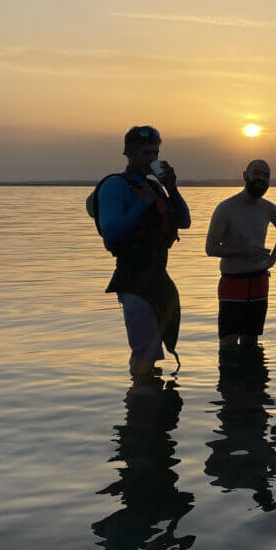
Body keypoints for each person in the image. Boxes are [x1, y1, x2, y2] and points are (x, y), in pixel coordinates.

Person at [96, 126, 191, 380]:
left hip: (158, 278)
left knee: (157, 349)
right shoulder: (115, 186)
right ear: (129, 153)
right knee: (144, 353)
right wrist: (142, 203)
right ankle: (140, 405)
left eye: (156, 152)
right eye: (146, 152)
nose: (152, 158)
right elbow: (111, 233)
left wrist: (172, 187)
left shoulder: (156, 188)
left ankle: (154, 407)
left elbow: (184, 222)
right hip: (133, 279)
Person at [205, 159, 276, 348]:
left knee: (251, 342)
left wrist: (272, 260)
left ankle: (253, 376)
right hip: (233, 283)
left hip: (260, 283)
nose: (261, 178)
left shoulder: (268, 208)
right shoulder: (226, 209)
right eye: (257, 173)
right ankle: (229, 377)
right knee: (228, 343)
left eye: (266, 175)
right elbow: (211, 248)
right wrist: (243, 250)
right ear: (245, 175)